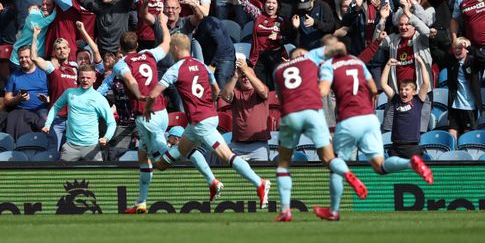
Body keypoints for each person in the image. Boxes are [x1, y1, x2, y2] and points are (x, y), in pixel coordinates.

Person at [144, 33, 271, 208]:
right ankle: (212, 182)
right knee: (166, 161)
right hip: (203, 119)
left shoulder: (175, 69)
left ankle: (260, 183)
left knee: (227, 157)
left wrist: (147, 108)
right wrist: (205, 103)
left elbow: (153, 93)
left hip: (201, 122)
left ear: (174, 49)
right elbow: (216, 90)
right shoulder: (202, 66)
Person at [315, 40, 432, 221]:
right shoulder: (358, 63)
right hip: (369, 119)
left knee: (337, 164)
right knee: (380, 166)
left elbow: (322, 91)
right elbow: (373, 89)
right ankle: (411, 164)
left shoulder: (328, 66)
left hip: (349, 119)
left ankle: (334, 208)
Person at [271, 48, 368, 222]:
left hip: (291, 112)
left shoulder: (278, 70)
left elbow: (280, 97)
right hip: (314, 112)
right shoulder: (311, 62)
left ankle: (285, 210)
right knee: (330, 160)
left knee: (283, 163)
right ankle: (348, 174)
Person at [42, 64, 116, 161]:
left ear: (94, 79)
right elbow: (55, 107)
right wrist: (48, 124)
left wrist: (106, 138)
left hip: (92, 147)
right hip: (70, 147)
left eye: (88, 78)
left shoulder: (99, 99)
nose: (85, 80)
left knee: (97, 176)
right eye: (83, 77)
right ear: (78, 78)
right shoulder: (69, 93)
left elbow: (111, 123)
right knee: (63, 175)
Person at [218, 57, 270, 161]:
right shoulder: (236, 91)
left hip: (259, 146)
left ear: (254, 76)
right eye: (243, 77)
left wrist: (246, 70)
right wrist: (235, 76)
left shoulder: (260, 90)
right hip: (238, 146)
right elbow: (225, 96)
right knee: (234, 176)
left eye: (248, 76)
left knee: (262, 175)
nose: (245, 78)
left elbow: (263, 92)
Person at [380, 55, 431, 158]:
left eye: (406, 89)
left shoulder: (418, 100)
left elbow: (426, 82)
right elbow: (383, 84)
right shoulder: (396, 99)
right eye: (401, 89)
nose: (403, 92)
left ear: (413, 92)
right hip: (395, 146)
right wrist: (388, 65)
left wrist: (421, 64)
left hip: (412, 146)